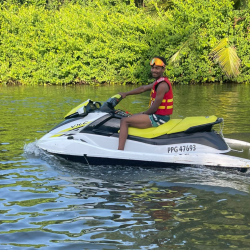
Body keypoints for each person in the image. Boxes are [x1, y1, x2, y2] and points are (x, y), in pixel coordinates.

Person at [118, 56, 173, 150]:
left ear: (163, 69)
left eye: (157, 68)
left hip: (159, 118)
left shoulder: (162, 85)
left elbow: (154, 108)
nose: (154, 70)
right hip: (157, 115)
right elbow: (143, 88)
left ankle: (120, 151)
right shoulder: (158, 82)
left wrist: (143, 113)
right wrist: (126, 94)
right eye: (152, 68)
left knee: (124, 121)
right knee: (132, 116)